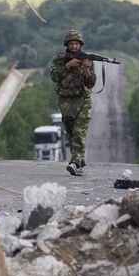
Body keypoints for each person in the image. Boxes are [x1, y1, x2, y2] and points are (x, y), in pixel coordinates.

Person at [50, 29, 96, 176]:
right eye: (72, 44)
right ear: (67, 45)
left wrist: (87, 70)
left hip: (83, 100)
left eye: (77, 44)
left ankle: (75, 162)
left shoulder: (87, 59)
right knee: (70, 133)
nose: (74, 46)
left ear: (80, 45)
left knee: (79, 132)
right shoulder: (60, 59)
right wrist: (68, 66)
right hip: (66, 101)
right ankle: (79, 162)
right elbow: (54, 76)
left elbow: (91, 83)